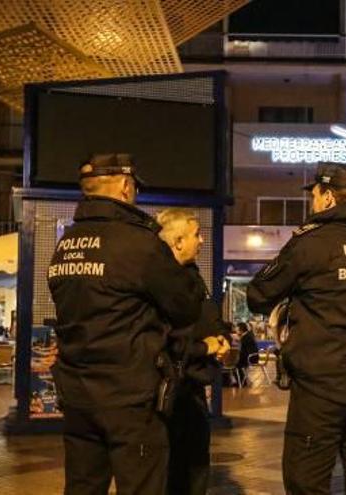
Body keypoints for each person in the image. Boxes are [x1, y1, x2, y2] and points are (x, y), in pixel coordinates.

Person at [47, 154, 206, 495]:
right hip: (130, 397)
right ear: (124, 186)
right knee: (142, 485)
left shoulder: (66, 245)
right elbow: (185, 306)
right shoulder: (139, 243)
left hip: (77, 393)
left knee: (82, 486)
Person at [247, 162, 346, 495]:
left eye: (314, 195)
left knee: (306, 479)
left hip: (323, 382)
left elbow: (259, 294)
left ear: (328, 198)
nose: (312, 203)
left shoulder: (312, 241)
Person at [156, 208, 231, 495]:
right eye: (196, 235)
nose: (201, 241)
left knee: (196, 466)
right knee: (171, 471)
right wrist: (204, 347)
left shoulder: (193, 276)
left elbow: (209, 318)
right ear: (177, 241)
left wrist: (221, 340)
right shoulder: (161, 282)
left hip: (192, 388)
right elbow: (164, 340)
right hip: (168, 392)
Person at [236, 321, 259, 386]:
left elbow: (243, 352)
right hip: (253, 356)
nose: (236, 331)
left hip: (250, 358)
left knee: (236, 364)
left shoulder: (245, 337)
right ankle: (243, 381)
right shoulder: (248, 335)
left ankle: (241, 382)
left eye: (237, 330)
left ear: (241, 330)